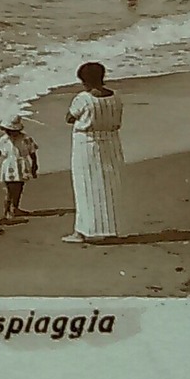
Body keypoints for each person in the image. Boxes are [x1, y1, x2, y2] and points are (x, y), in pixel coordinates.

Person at [63, 62, 127, 243]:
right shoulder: (116, 96)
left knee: (85, 187)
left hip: (87, 144)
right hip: (112, 142)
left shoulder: (83, 98)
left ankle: (82, 231)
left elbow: (69, 117)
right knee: (110, 187)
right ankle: (111, 228)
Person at [0, 117, 39, 220]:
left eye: (12, 131)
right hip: (9, 167)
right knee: (9, 191)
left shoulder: (25, 138)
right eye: (8, 131)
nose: (10, 133)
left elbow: (32, 152)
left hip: (21, 166)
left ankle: (15, 208)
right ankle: (6, 211)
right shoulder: (3, 140)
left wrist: (34, 165)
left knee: (19, 188)